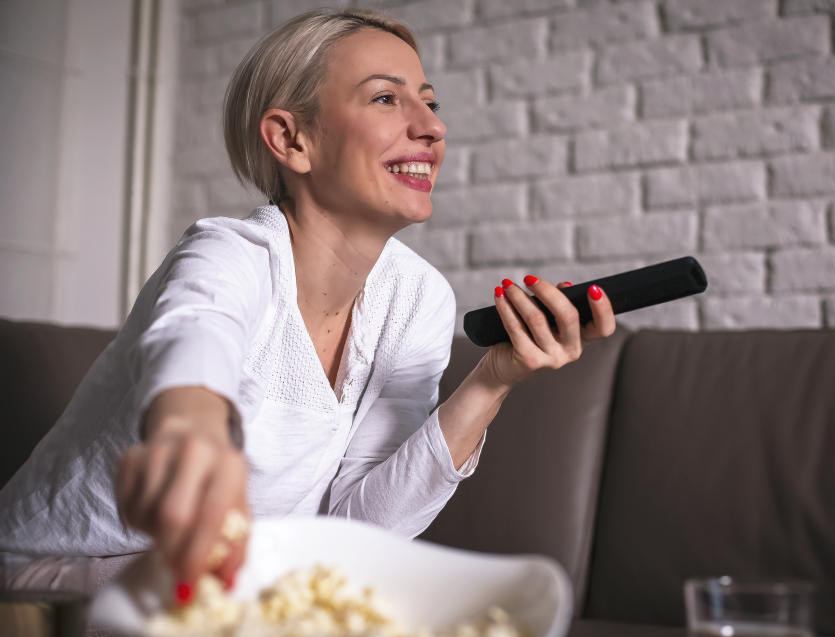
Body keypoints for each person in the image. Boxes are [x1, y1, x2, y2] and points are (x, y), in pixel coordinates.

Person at [0, 9, 615, 600]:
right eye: (385, 97)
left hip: (234, 591)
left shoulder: (420, 298)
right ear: (292, 140)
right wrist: (192, 425)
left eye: (430, 101)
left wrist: (491, 382)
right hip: (50, 590)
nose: (432, 125)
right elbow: (194, 333)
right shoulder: (231, 254)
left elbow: (360, 537)